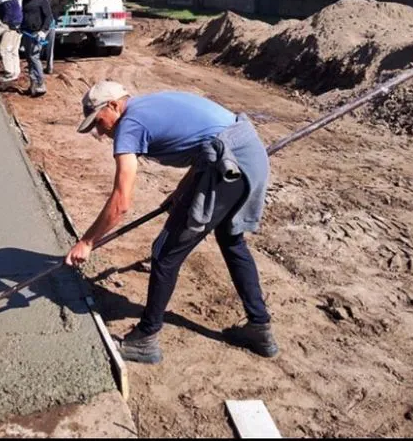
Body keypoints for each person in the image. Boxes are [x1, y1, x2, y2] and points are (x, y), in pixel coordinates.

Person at [65, 81, 279, 364]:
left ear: (114, 105)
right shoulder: (148, 106)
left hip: (227, 165)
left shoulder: (130, 125)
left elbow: (121, 201)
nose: (100, 131)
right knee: (231, 241)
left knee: (165, 253)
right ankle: (259, 328)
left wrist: (87, 241)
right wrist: (181, 192)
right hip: (247, 154)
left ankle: (145, 339)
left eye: (99, 121)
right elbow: (205, 141)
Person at [20, 0, 52, 97]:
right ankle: (32, 84)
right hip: (27, 32)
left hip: (37, 33)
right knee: (29, 57)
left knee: (34, 57)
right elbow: (23, 13)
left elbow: (49, 17)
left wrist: (43, 31)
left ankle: (41, 84)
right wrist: (21, 26)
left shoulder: (42, 0)